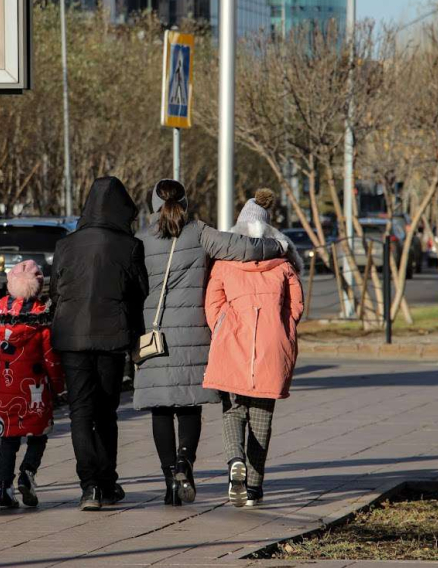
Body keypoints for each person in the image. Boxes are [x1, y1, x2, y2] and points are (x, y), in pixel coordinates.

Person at [134, 180, 288, 506]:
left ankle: (169, 482)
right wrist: (277, 247)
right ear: (185, 203)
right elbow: (242, 248)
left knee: (161, 409)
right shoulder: (199, 232)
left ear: (152, 206)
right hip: (193, 336)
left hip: (153, 336)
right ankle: (184, 464)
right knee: (189, 405)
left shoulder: (140, 240)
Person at [50, 176, 149, 511]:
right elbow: (139, 293)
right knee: (106, 411)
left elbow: (55, 291)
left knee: (80, 411)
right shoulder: (129, 245)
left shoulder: (66, 244)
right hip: (112, 337)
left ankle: (89, 485)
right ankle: (107, 482)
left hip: (71, 337)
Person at [203, 189, 305, 508]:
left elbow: (212, 304)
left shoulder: (224, 263)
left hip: (231, 343)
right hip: (272, 348)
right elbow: (297, 307)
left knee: (233, 410)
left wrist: (222, 326)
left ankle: (235, 462)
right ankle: (256, 487)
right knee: (262, 417)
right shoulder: (284, 266)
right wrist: (282, 329)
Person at [0, 260, 63, 509]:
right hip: (33, 386)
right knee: (38, 433)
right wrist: (58, 385)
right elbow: (50, 357)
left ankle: (4, 485)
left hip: (1, 385)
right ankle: (28, 472)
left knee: (8, 437)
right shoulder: (41, 317)